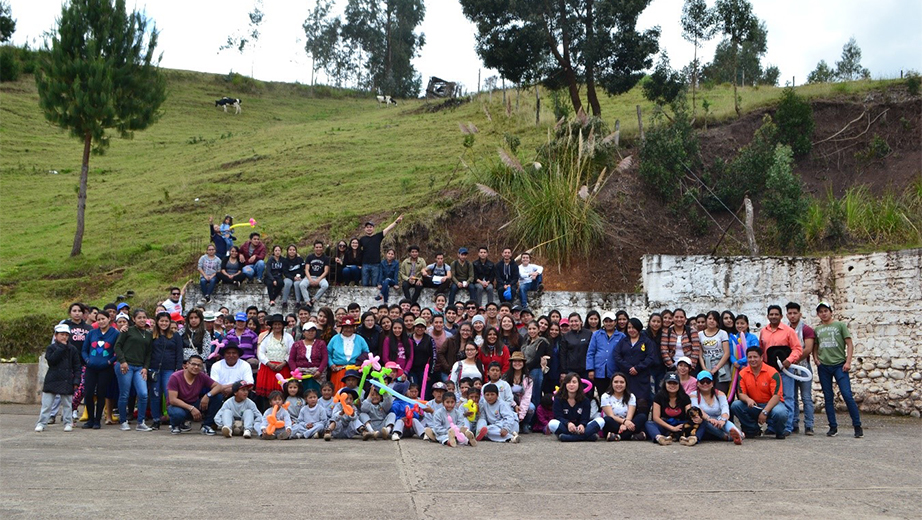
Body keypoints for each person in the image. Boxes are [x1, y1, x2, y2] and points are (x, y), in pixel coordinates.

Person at [813, 301, 863, 438]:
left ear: (831, 312)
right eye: (821, 312)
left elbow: (849, 343)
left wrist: (848, 361)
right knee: (828, 397)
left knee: (847, 395)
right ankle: (833, 426)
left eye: (825, 311)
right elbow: (815, 346)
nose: (823, 314)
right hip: (824, 366)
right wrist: (816, 359)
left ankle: (857, 426)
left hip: (840, 365)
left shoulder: (840, 325)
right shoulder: (817, 330)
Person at [759, 304, 803, 437]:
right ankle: (773, 426)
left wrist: (789, 360)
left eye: (776, 314)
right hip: (769, 371)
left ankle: (787, 427)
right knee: (771, 398)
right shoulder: (763, 332)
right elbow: (761, 350)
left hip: (785, 370)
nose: (773, 317)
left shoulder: (788, 331)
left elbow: (797, 349)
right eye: (771, 314)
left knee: (788, 397)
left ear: (781, 316)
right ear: (767, 316)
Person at [730, 346, 789, 439]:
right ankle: (753, 429)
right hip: (754, 405)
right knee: (736, 405)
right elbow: (741, 393)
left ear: (761, 358)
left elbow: (777, 396)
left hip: (772, 405)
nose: (752, 360)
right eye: (750, 357)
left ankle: (779, 431)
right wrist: (748, 399)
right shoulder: (743, 373)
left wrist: (765, 411)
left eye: (755, 357)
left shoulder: (773, 372)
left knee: (780, 412)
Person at [35, 324, 82, 432]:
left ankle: (68, 422)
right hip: (52, 379)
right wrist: (61, 348)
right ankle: (42, 423)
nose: (64, 337)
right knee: (47, 405)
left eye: (66, 335)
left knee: (67, 405)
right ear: (56, 336)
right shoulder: (51, 348)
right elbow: (51, 361)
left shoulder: (72, 349)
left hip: (67, 380)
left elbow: (77, 366)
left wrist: (76, 381)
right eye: (61, 335)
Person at [114, 310, 153, 432]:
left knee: (143, 394)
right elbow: (117, 346)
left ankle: (140, 422)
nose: (142, 320)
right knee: (124, 394)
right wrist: (122, 361)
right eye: (139, 317)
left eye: (144, 317)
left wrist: (145, 368)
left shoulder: (148, 334)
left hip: (140, 367)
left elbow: (148, 354)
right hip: (125, 365)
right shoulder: (127, 331)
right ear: (134, 319)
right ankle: (123, 421)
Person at [166, 354, 224, 435]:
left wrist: (207, 396)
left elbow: (219, 386)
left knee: (218, 397)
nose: (196, 367)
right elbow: (173, 400)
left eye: (199, 365)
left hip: (194, 404)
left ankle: (206, 426)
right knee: (177, 414)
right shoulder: (175, 377)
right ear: (186, 365)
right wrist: (191, 408)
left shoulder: (201, 376)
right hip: (178, 406)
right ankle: (175, 425)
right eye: (193, 364)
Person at [81, 312, 119, 429]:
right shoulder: (92, 333)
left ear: (109, 319)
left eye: (103, 319)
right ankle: (90, 419)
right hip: (91, 367)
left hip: (105, 368)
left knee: (102, 394)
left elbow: (118, 351)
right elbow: (84, 350)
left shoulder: (115, 333)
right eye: (99, 319)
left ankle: (97, 420)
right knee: (88, 393)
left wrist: (109, 361)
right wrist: (87, 360)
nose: (101, 321)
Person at [148, 312, 184, 430]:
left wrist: (178, 369)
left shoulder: (175, 336)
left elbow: (179, 353)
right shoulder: (152, 335)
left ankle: (173, 419)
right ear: (157, 322)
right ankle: (156, 419)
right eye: (161, 321)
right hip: (154, 369)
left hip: (169, 369)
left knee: (169, 395)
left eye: (166, 321)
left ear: (170, 322)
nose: (164, 323)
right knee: (155, 395)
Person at [614, 318, 657, 414]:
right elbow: (617, 356)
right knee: (627, 400)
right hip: (626, 375)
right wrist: (628, 367)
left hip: (641, 376)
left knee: (642, 402)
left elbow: (650, 357)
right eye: (629, 327)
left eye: (633, 327)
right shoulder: (623, 341)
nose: (631, 330)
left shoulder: (646, 341)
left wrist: (638, 368)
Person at [785, 302, 816, 435]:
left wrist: (793, 359)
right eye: (790, 313)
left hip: (803, 367)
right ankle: (794, 423)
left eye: (795, 313)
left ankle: (809, 425)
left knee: (806, 397)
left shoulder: (806, 330)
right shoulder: (785, 329)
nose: (792, 316)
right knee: (792, 396)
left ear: (800, 314)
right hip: (790, 367)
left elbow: (808, 349)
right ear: (786, 315)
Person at [689, 371, 742, 444]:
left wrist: (723, 420)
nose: (705, 384)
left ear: (712, 383)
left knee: (727, 424)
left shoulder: (719, 394)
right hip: (705, 420)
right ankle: (727, 436)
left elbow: (725, 408)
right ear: (697, 383)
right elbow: (696, 408)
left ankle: (738, 434)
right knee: (705, 422)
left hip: (719, 419)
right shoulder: (693, 395)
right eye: (702, 382)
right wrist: (709, 419)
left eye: (708, 381)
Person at [255, 314, 293, 407]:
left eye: (279, 324)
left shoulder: (288, 337)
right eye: (275, 324)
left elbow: (291, 352)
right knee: (267, 396)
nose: (277, 326)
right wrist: (268, 363)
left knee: (281, 394)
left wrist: (284, 363)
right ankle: (267, 414)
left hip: (282, 369)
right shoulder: (266, 337)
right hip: (268, 369)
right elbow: (260, 353)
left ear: (283, 325)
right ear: (272, 325)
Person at [547, 372, 599, 442]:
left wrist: (582, 425)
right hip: (565, 426)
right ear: (565, 384)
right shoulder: (558, 399)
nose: (571, 385)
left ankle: (568, 437)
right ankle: (586, 437)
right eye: (568, 382)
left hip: (581, 428)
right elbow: (558, 416)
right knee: (552, 423)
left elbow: (585, 417)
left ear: (579, 384)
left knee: (600, 421)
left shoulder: (585, 400)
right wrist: (568, 423)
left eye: (574, 382)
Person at [645, 372, 692, 446]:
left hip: (680, 425)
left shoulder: (685, 397)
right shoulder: (658, 396)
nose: (672, 385)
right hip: (665, 425)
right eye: (669, 383)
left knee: (699, 423)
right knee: (649, 424)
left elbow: (689, 414)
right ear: (665, 384)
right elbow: (656, 417)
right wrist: (672, 428)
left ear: (679, 384)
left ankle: (689, 439)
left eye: (675, 383)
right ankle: (660, 438)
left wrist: (682, 426)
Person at [586, 311, 625, 398]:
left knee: (615, 394)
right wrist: (590, 369)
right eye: (606, 321)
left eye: (611, 321)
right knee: (602, 395)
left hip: (615, 370)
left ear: (615, 322)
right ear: (603, 322)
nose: (608, 323)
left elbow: (624, 354)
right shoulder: (596, 335)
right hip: (599, 371)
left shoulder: (621, 336)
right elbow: (591, 352)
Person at [599, 372, 647, 441]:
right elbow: (611, 416)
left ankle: (618, 436)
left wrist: (625, 424)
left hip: (628, 423)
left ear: (626, 384)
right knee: (607, 419)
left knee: (642, 417)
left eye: (622, 382)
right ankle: (631, 436)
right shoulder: (605, 396)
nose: (619, 384)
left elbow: (630, 415)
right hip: (614, 424)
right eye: (616, 382)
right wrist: (624, 422)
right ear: (611, 383)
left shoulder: (631, 396)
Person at [359, 215, 403, 288]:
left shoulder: (378, 236)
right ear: (365, 229)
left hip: (376, 264)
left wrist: (396, 222)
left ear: (373, 228)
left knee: (374, 284)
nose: (369, 229)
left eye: (370, 227)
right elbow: (357, 251)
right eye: (367, 227)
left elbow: (387, 229)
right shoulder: (362, 239)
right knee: (364, 284)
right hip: (365, 264)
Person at [327, 316, 369, 391]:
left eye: (351, 327)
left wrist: (361, 365)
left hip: (354, 371)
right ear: (342, 328)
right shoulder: (335, 338)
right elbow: (328, 353)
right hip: (338, 371)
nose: (348, 329)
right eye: (346, 327)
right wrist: (331, 364)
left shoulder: (360, 339)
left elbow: (367, 353)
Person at [287, 322, 328, 394]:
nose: (311, 333)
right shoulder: (296, 344)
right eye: (308, 331)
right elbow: (291, 359)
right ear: (303, 332)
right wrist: (296, 372)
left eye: (313, 331)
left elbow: (325, 358)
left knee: (316, 394)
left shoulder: (321, 343)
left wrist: (319, 371)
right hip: (301, 374)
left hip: (317, 374)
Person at [697, 311, 732, 394]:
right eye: (710, 319)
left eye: (714, 319)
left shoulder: (723, 333)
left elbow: (726, 353)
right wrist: (705, 369)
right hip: (707, 365)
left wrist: (716, 368)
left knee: (720, 393)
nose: (712, 321)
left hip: (721, 367)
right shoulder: (700, 334)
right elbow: (700, 355)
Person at [520, 320, 550, 406]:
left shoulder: (542, 342)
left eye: (534, 328)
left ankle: (536, 416)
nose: (531, 331)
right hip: (525, 370)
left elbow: (537, 358)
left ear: (538, 330)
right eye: (529, 329)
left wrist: (526, 368)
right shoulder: (526, 341)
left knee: (535, 395)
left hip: (536, 371)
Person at [504, 352, 534, 429]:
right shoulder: (505, 377)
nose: (517, 363)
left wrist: (521, 415)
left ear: (523, 363)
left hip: (522, 402)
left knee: (531, 407)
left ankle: (524, 423)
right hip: (509, 402)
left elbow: (527, 397)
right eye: (515, 361)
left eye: (520, 361)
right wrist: (514, 405)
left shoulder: (528, 379)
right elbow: (505, 395)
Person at [560, 313, 592, 381]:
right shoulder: (566, 336)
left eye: (576, 321)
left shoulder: (588, 334)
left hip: (586, 370)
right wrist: (563, 371)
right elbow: (563, 354)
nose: (574, 323)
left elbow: (592, 351)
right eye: (571, 321)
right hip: (571, 370)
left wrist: (591, 369)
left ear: (581, 322)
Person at [301, 241, 330, 307]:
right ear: (314, 248)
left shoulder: (326, 258)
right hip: (310, 276)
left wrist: (318, 280)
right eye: (316, 247)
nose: (318, 249)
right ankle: (307, 301)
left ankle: (314, 299)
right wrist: (310, 279)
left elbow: (326, 271)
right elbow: (306, 269)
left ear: (322, 248)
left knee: (325, 285)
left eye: (320, 247)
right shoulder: (309, 257)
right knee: (302, 285)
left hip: (321, 277)